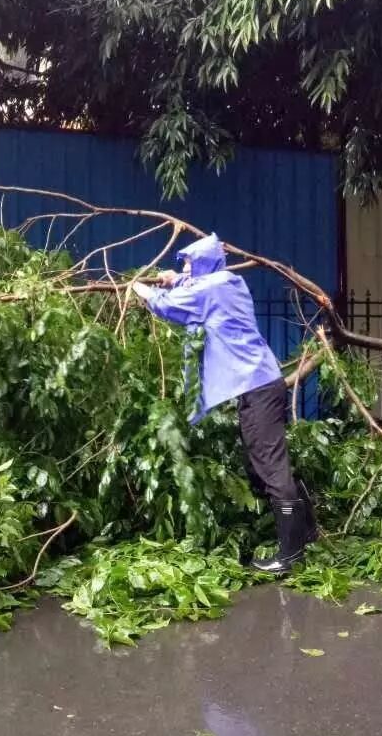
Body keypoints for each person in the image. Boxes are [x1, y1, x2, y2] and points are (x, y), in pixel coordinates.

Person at [130, 232, 318, 574]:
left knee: (270, 468)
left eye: (190, 264)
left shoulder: (212, 288)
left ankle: (290, 555)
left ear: (204, 264)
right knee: (262, 465)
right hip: (261, 384)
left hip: (257, 387)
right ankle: (305, 532)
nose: (186, 269)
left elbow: (168, 306)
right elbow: (196, 288)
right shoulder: (229, 283)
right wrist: (176, 279)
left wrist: (139, 288)